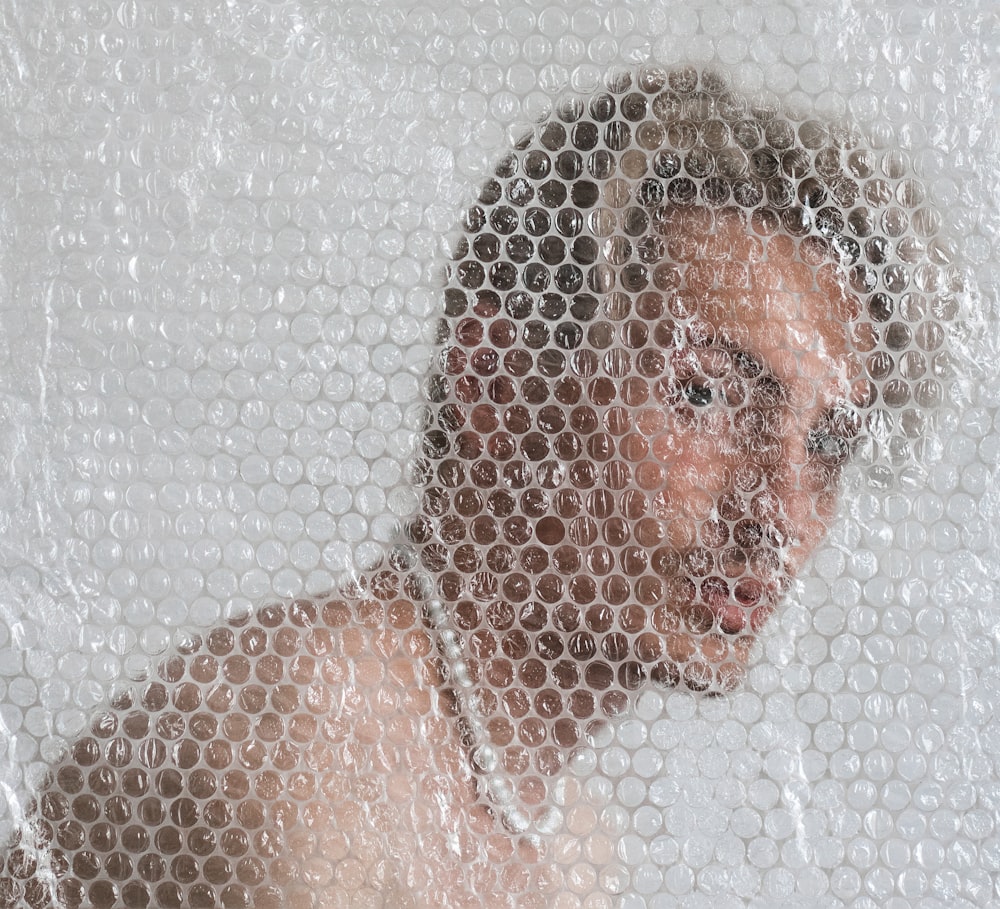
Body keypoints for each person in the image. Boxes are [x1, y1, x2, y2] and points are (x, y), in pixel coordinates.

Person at [0, 65, 940, 908]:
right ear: (496, 381)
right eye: (701, 394)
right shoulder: (300, 736)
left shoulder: (574, 846)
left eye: (825, 445)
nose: (776, 514)